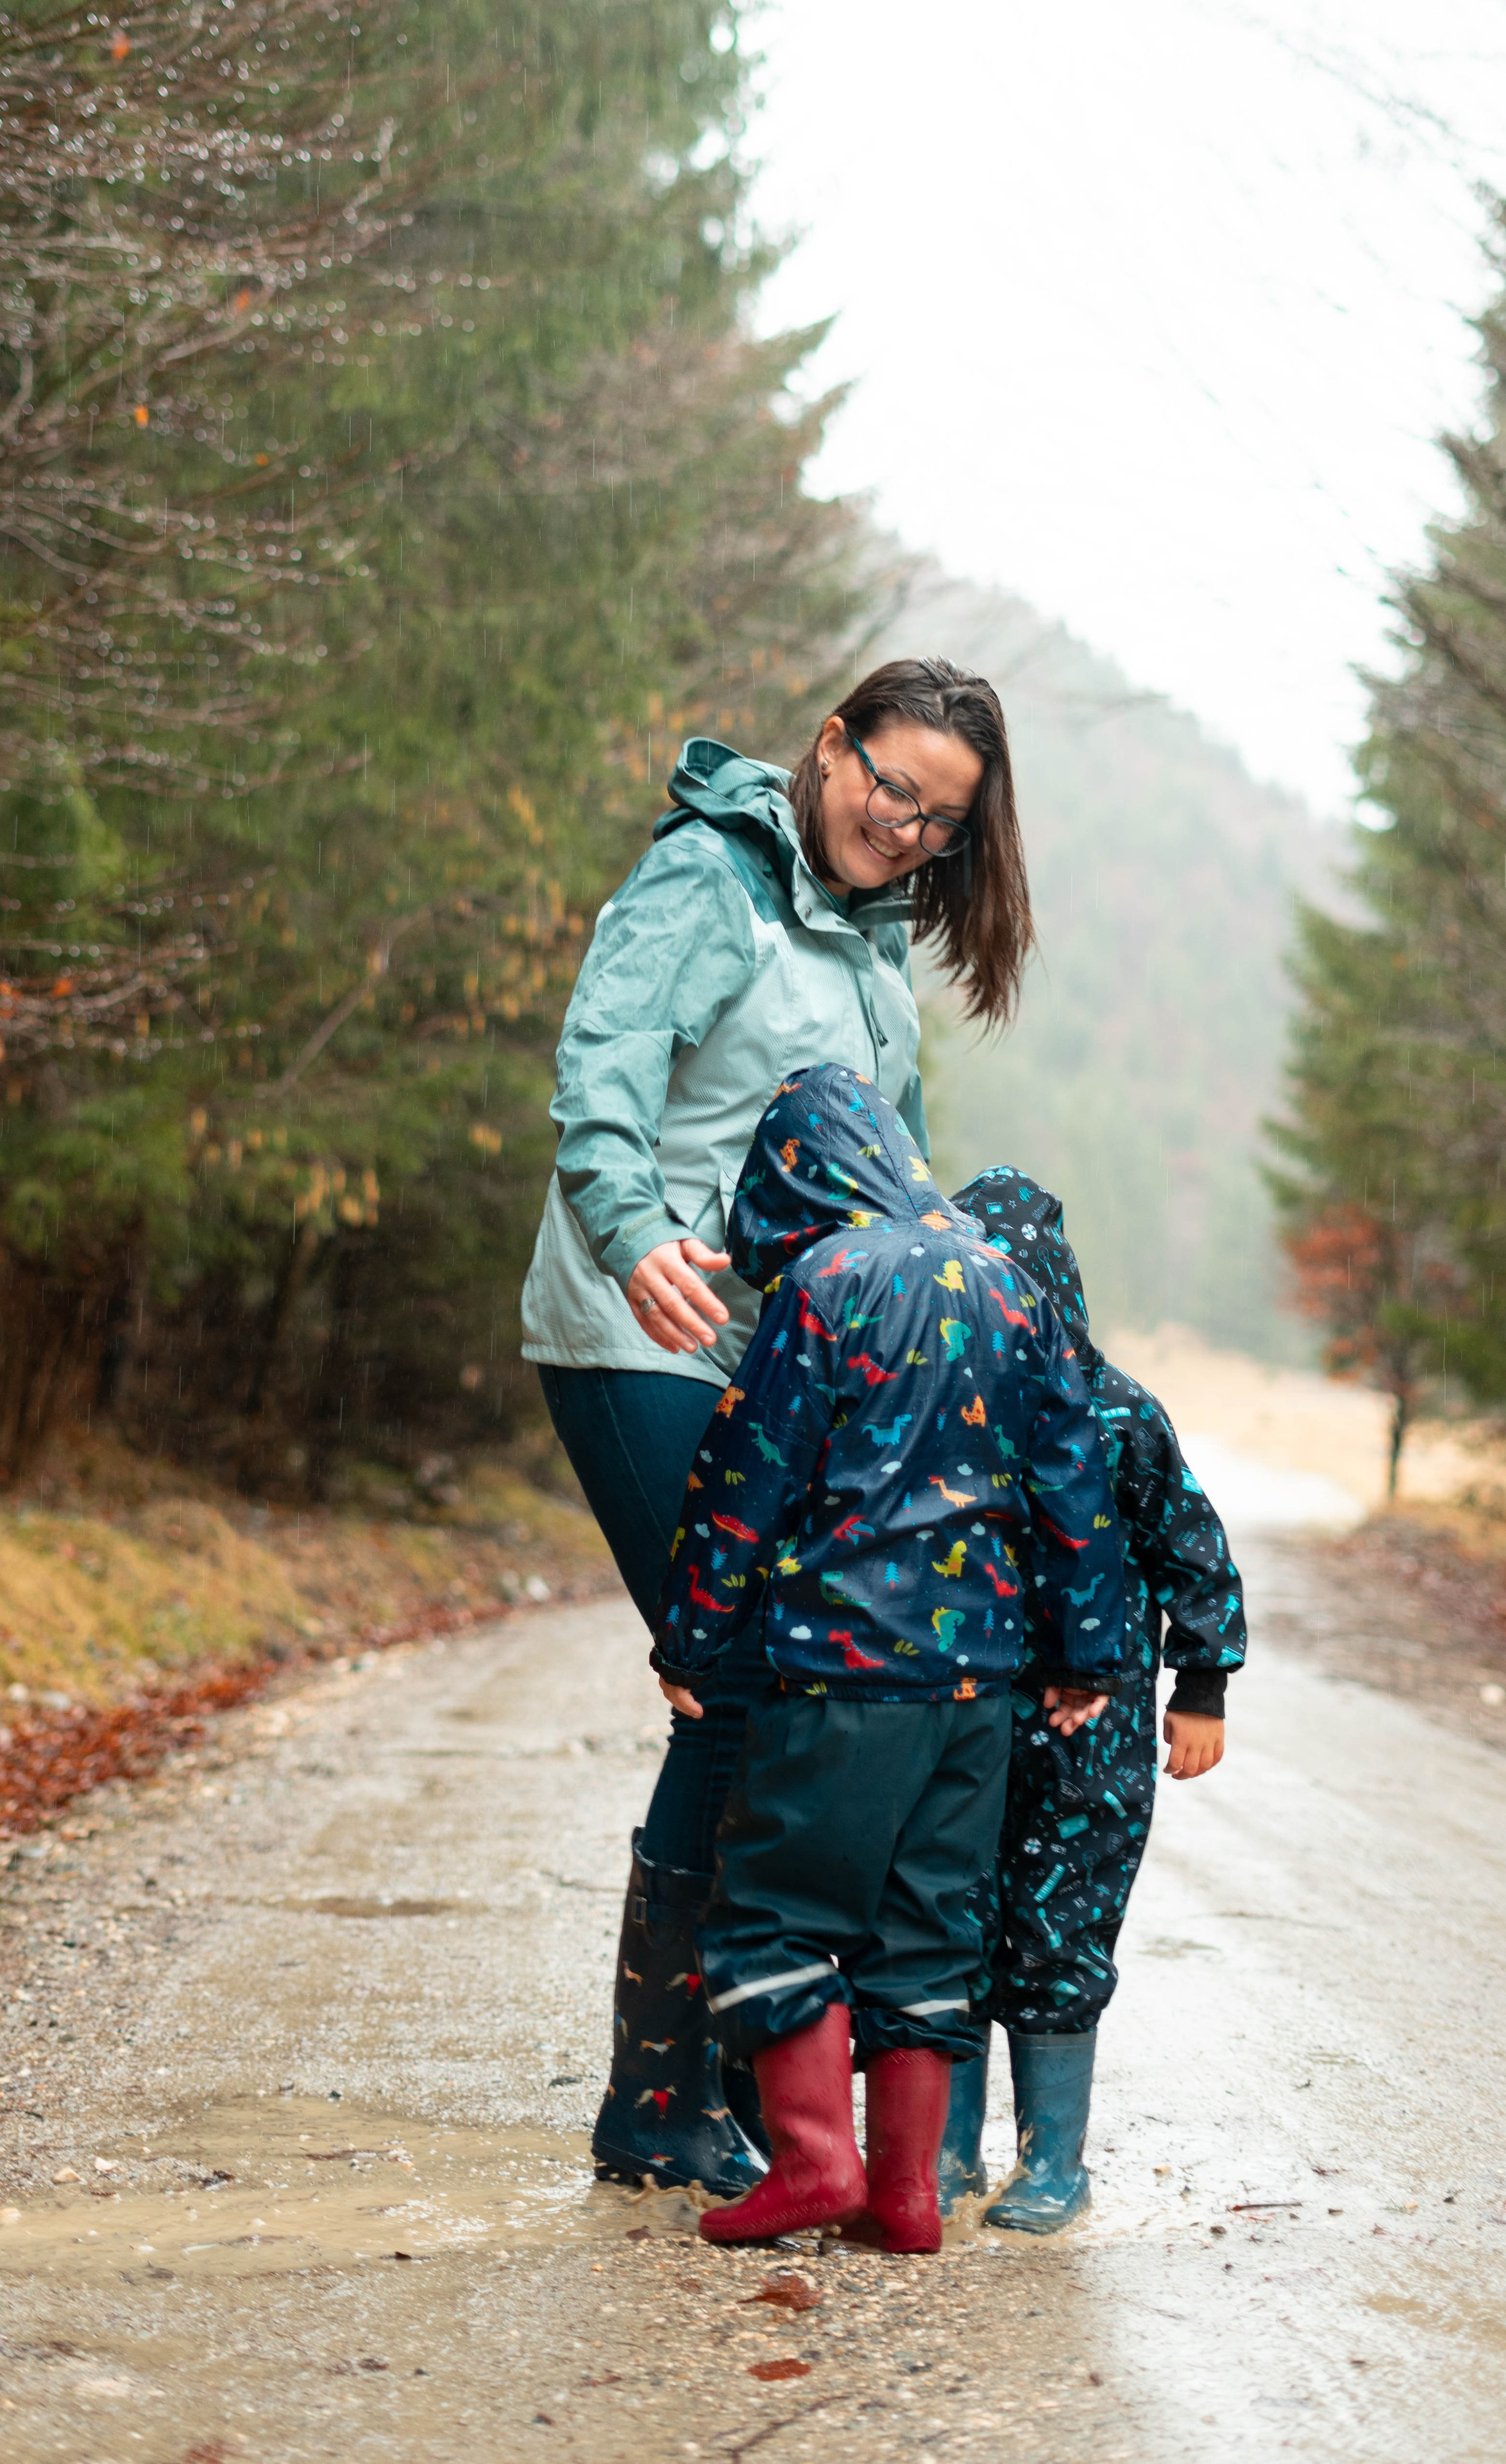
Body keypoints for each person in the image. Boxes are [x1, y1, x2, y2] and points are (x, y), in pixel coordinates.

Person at [520, 661, 1033, 2195]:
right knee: (740, 1690)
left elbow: (897, 1180)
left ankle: (742, 2090)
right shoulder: (710, 880)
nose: (904, 828)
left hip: (788, 1367)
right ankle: (657, 2101)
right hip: (646, 1321)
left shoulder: (874, 953)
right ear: (830, 746)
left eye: (939, 820)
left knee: (789, 1693)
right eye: (891, 786)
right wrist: (628, 1233)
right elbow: (601, 1067)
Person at [648, 1065, 1129, 2253]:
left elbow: (748, 1474)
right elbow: (1075, 1485)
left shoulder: (827, 1279)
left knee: (772, 1912)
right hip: (977, 1694)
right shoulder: (1010, 1285)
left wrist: (693, 1634)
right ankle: (907, 2194)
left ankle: (815, 2160)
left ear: (795, 1174)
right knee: (927, 1930)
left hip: (841, 1676)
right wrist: (1089, 1654)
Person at [937, 1167, 1246, 2232]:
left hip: (1092, 1741)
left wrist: (1200, 1684)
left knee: (1059, 1931)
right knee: (950, 1917)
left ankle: (1053, 2160)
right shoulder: (939, 1408)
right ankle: (944, 2149)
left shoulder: (1119, 1412)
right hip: (963, 1718)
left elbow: (1193, 1551)